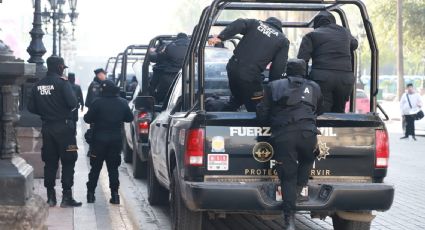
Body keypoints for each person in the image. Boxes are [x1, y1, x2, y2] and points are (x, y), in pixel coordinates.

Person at [256, 59, 323, 230]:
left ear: (287, 70)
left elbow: (263, 112)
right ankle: (300, 188)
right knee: (309, 158)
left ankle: (290, 221)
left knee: (287, 177)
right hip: (308, 133)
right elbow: (320, 109)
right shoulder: (314, 87)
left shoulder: (273, 86)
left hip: (284, 135)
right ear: (305, 71)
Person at [28, 56, 82, 208]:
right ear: (59, 67)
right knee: (69, 159)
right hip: (66, 129)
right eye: (62, 67)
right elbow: (73, 103)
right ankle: (66, 197)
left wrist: (46, 111)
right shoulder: (63, 83)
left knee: (50, 162)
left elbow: (31, 107)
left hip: (47, 128)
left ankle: (51, 197)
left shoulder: (38, 85)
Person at [208, 17, 290, 112]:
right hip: (250, 76)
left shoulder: (255, 23)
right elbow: (278, 69)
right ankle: (257, 125)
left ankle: (219, 118)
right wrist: (273, 87)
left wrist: (221, 37)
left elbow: (239, 23)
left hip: (232, 67)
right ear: (280, 28)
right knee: (258, 107)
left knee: (237, 99)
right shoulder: (283, 41)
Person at [297, 11, 358, 113]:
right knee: (339, 112)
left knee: (322, 111)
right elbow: (355, 44)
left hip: (322, 78)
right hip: (345, 79)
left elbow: (302, 61)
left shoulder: (312, 35)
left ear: (317, 23)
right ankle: (338, 129)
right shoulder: (345, 32)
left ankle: (324, 129)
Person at [84, 80, 133, 204]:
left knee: (95, 168)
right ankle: (115, 195)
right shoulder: (122, 102)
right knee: (113, 169)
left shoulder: (97, 102)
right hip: (115, 141)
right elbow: (129, 118)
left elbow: (87, 118)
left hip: (98, 141)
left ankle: (90, 194)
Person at [149, 33, 190, 104]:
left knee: (159, 97)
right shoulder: (195, 48)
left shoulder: (169, 47)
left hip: (169, 79)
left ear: (177, 39)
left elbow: (156, 58)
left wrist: (152, 52)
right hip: (189, 79)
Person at [84, 68, 106, 157]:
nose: (105, 76)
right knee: (94, 132)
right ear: (99, 75)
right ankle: (92, 150)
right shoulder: (95, 86)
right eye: (104, 74)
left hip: (96, 114)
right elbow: (94, 102)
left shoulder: (98, 84)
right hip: (96, 114)